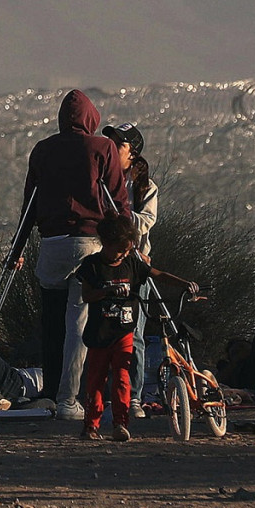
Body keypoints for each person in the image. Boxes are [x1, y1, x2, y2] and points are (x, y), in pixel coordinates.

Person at [22, 89, 130, 421]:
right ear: (91, 118)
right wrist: (127, 241)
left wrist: (17, 249)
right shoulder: (103, 148)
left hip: (52, 245)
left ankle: (50, 393)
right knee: (78, 323)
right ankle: (70, 400)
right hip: (88, 243)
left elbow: (30, 204)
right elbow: (118, 200)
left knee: (52, 322)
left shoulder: (42, 150)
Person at [74, 214, 197, 442]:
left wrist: (184, 284)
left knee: (122, 378)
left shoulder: (131, 263)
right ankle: (91, 425)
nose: (122, 254)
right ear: (106, 243)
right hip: (99, 334)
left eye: (126, 250)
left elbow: (156, 274)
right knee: (96, 381)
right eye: (119, 249)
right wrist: (108, 292)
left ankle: (121, 424)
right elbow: (88, 295)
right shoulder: (91, 266)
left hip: (124, 333)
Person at [102, 123, 156, 422]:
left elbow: (145, 222)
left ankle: (132, 396)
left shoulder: (144, 188)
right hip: (107, 266)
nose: (110, 150)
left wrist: (118, 213)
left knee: (133, 333)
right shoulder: (101, 183)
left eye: (117, 146)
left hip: (134, 267)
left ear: (131, 154)